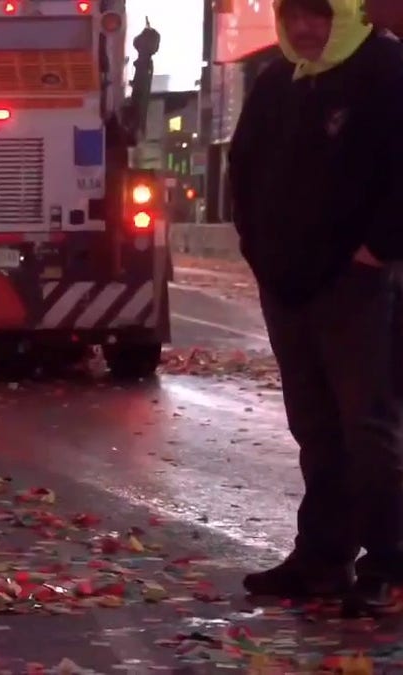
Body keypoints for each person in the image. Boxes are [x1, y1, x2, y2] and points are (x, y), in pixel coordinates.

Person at [228, 0, 403, 612]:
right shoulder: (279, 81)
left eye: (318, 15)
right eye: (293, 15)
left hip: (354, 286)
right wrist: (257, 250)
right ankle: (323, 558)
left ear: (346, 15)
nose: (303, 29)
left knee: (369, 429)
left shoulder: (385, 69)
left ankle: (389, 563)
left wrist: (376, 249)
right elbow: (242, 168)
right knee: (316, 429)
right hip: (288, 286)